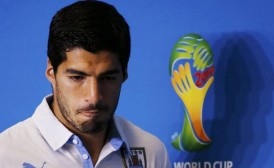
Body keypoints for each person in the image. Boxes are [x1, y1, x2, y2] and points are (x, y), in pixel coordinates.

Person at [0, 1, 171, 168]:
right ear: (51, 71)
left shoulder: (152, 151)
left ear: (124, 74)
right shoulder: (6, 153)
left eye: (108, 78)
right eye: (77, 77)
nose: (94, 96)